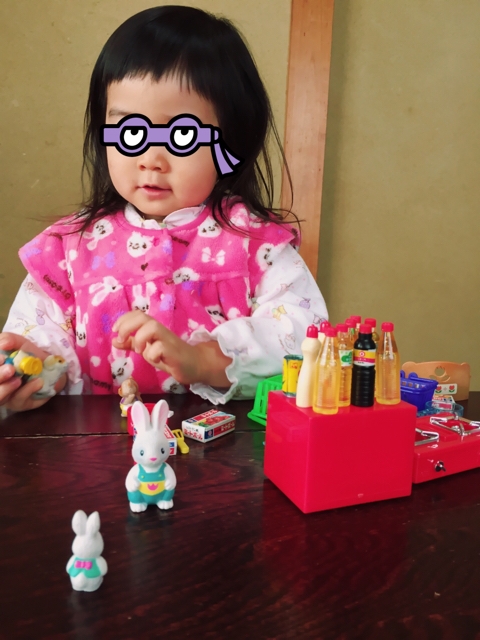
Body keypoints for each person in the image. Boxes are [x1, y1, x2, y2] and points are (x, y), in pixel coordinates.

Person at [0, 5, 328, 412]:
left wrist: (204, 359)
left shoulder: (255, 244)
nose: (151, 159)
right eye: (131, 132)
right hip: (94, 446)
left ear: (230, 141)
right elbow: (40, 337)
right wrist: (34, 369)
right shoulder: (67, 249)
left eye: (182, 134)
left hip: (227, 444)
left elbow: (305, 338)